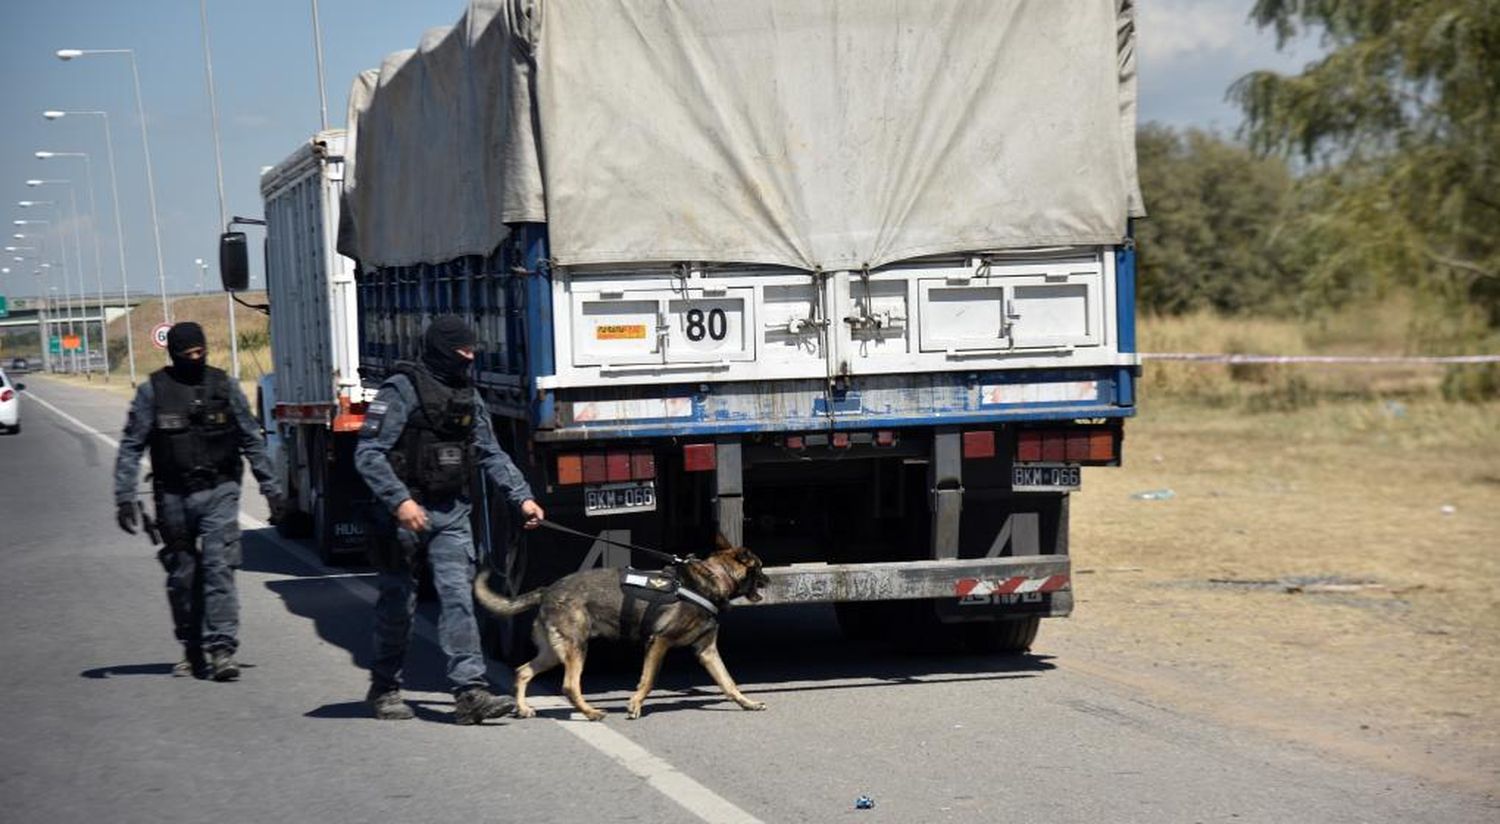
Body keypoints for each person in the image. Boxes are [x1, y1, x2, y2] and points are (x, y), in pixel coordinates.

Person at [355, 315, 545, 724]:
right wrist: (399, 501)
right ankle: (385, 687)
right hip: (401, 518)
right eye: (463, 351)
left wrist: (522, 498)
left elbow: (490, 452)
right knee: (398, 606)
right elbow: (368, 454)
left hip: (450, 513)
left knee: (459, 598)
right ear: (444, 350)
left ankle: (469, 691)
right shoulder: (401, 389)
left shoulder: (467, 394)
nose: (471, 357)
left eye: (473, 351)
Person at [114, 321, 284, 681]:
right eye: (187, 354)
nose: (195, 358)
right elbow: (132, 445)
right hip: (173, 495)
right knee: (183, 575)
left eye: (199, 352)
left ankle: (222, 648)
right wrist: (125, 496)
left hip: (220, 489)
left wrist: (272, 491)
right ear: (174, 355)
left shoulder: (224, 386)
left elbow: (251, 439)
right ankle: (192, 646)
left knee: (218, 566)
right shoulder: (154, 392)